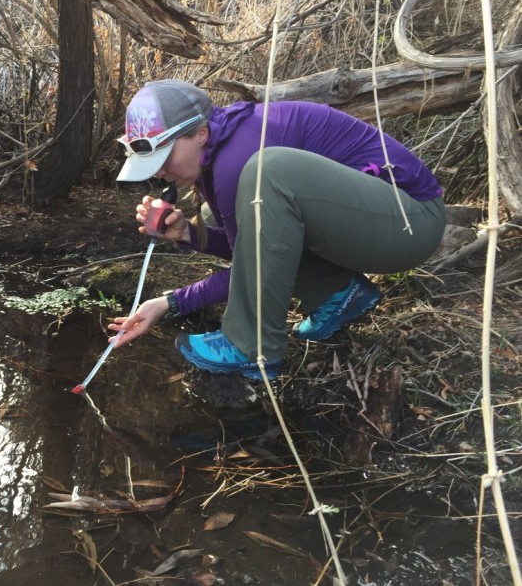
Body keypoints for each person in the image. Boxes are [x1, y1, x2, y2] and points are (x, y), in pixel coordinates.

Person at [106, 79, 445, 381]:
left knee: (269, 171)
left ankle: (250, 346)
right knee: (214, 214)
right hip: (375, 223)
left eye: (164, 157)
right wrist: (187, 234)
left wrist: (171, 302)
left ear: (200, 133)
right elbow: (257, 251)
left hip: (409, 223)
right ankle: (339, 293)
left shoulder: (237, 159)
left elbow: (252, 269)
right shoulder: (218, 155)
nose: (160, 172)